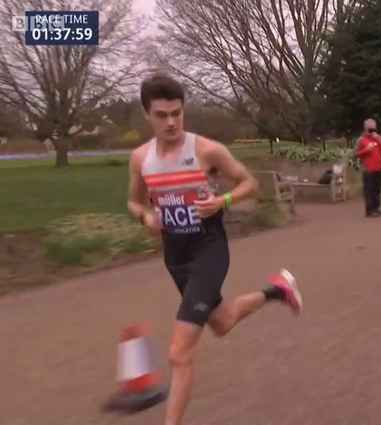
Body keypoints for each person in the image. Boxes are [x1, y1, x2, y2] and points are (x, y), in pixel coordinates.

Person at [127, 74, 303, 425]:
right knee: (221, 322)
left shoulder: (206, 150)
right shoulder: (140, 159)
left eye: (177, 113)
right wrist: (146, 217)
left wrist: (222, 200)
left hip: (209, 249)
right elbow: (133, 203)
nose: (171, 122)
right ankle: (278, 291)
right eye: (162, 115)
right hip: (175, 256)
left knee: (179, 353)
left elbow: (250, 182)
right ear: (148, 114)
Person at [355, 118, 381, 217]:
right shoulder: (361, 140)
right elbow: (356, 154)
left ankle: (376, 208)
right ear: (365, 129)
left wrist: (377, 138)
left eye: (373, 129)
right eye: (370, 129)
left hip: (378, 168)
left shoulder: (377, 138)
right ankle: (369, 211)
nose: (372, 131)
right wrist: (366, 149)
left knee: (377, 190)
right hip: (368, 169)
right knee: (369, 191)